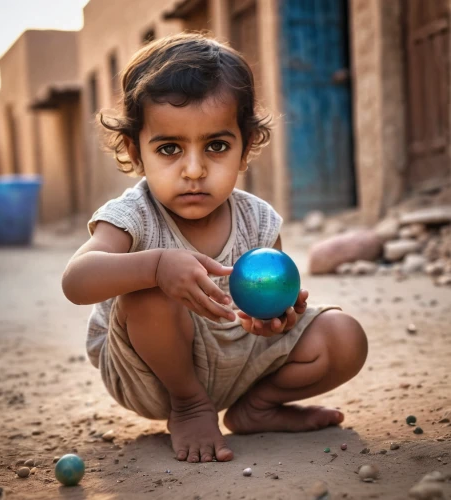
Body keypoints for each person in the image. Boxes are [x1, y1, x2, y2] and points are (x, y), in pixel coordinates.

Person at [62, 33, 368, 464]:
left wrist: (275, 321)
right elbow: (76, 281)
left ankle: (258, 408)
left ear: (245, 148)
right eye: (169, 148)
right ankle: (190, 406)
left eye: (217, 146)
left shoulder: (258, 220)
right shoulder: (132, 215)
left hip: (242, 362)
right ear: (135, 151)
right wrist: (155, 266)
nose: (194, 170)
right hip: (154, 375)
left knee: (344, 336)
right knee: (151, 291)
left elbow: (271, 305)